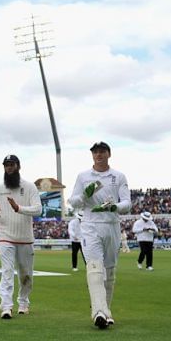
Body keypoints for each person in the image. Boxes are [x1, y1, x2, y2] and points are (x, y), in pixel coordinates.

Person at [68, 141, 131, 329]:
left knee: (109, 271)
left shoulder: (118, 176)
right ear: (92, 155)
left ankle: (106, 311)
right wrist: (85, 196)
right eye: (95, 152)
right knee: (94, 268)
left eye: (102, 151)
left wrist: (115, 207)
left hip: (111, 225)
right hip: (90, 225)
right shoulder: (83, 176)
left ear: (109, 154)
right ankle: (98, 312)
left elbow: (127, 203)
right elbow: (73, 202)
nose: (98, 155)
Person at [0, 155, 41, 319]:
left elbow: (38, 210)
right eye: (6, 165)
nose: (9, 168)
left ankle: (23, 302)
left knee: (26, 274)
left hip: (25, 237)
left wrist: (18, 208)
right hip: (5, 236)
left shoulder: (29, 187)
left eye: (12, 165)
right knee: (7, 271)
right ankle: (6, 306)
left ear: (18, 166)